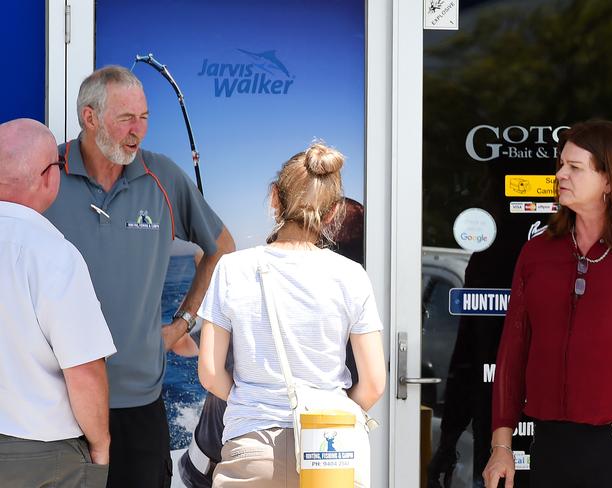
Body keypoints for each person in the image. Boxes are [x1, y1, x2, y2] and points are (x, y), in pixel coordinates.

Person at [44, 66, 235, 488]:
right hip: (55, 407)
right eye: (126, 118)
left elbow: (222, 249)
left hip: (139, 409)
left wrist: (183, 323)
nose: (138, 131)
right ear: (89, 118)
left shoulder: (162, 176)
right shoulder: (47, 173)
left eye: (144, 117)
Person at [197, 142, 386, 487]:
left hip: (251, 447)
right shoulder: (351, 275)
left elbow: (210, 373)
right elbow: (374, 384)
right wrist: (329, 409)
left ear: (274, 198)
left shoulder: (233, 269)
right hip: (330, 456)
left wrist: (251, 403)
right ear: (332, 214)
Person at [483, 120, 612, 488]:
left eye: (575, 167)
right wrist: (501, 446)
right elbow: (513, 352)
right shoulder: (537, 253)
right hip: (552, 448)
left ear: (610, 179)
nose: (560, 174)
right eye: (561, 164)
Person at [178, 197, 364, 487]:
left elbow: (185, 348)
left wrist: (204, 282)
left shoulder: (243, 287)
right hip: (320, 463)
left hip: (219, 462)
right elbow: (374, 386)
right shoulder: (350, 317)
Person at [0, 119, 116, 487]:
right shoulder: (53, 254)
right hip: (43, 459)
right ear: (49, 176)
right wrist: (101, 445)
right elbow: (83, 370)